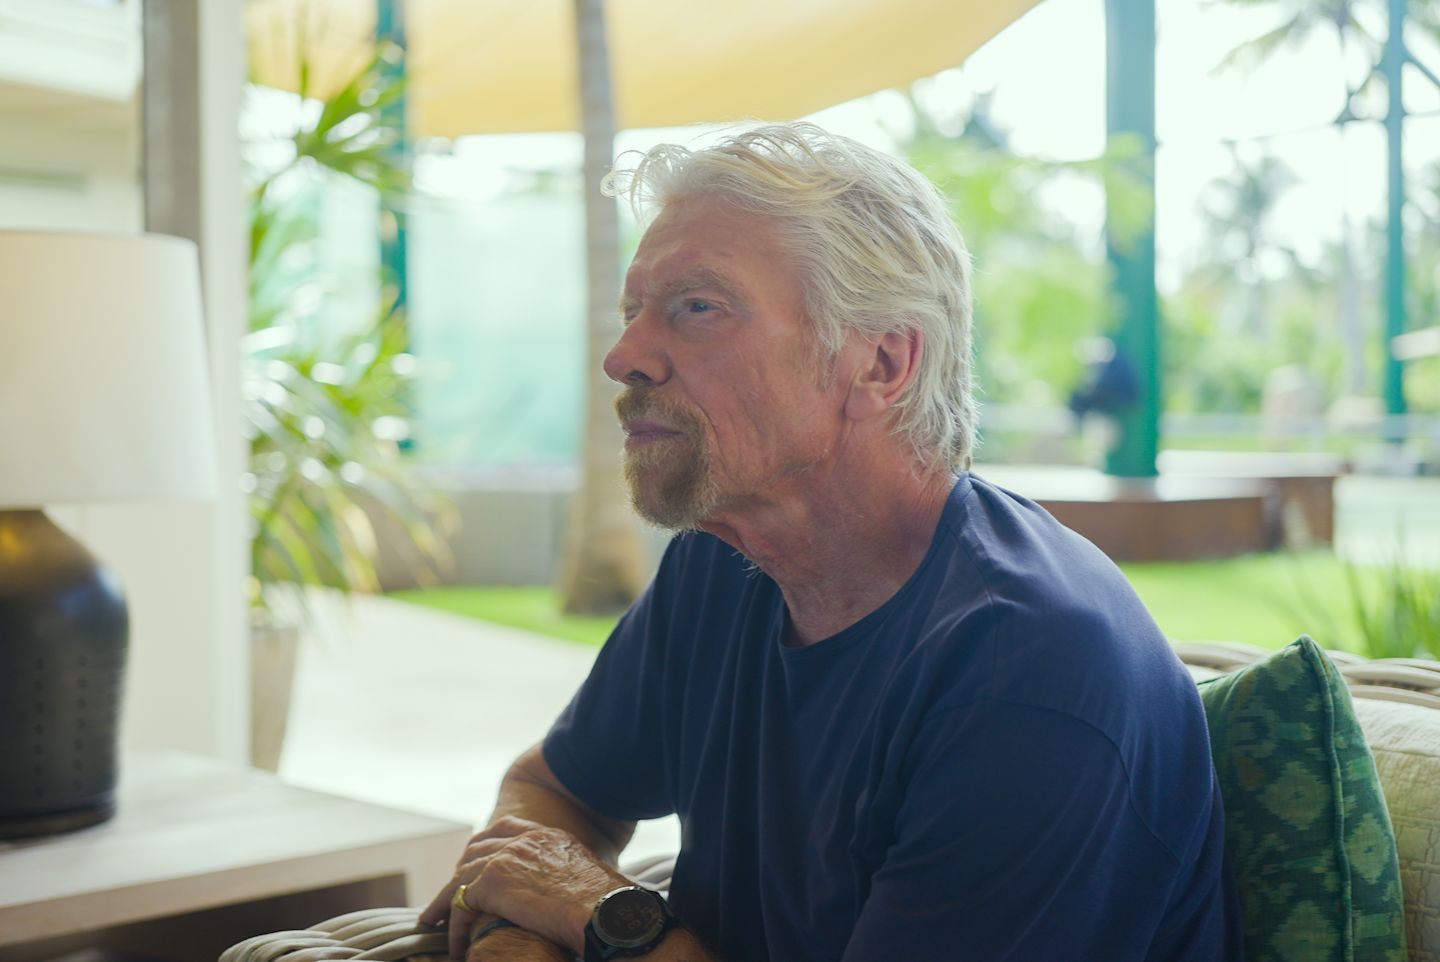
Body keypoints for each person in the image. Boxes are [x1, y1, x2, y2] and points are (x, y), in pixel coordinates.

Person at [418, 123, 1242, 962]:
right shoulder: (727, 558)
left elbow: (567, 878)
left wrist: (604, 918)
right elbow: (552, 793)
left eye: (697, 308)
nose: (624, 356)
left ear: (882, 364)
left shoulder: (1030, 670)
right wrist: (519, 936)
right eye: (634, 311)